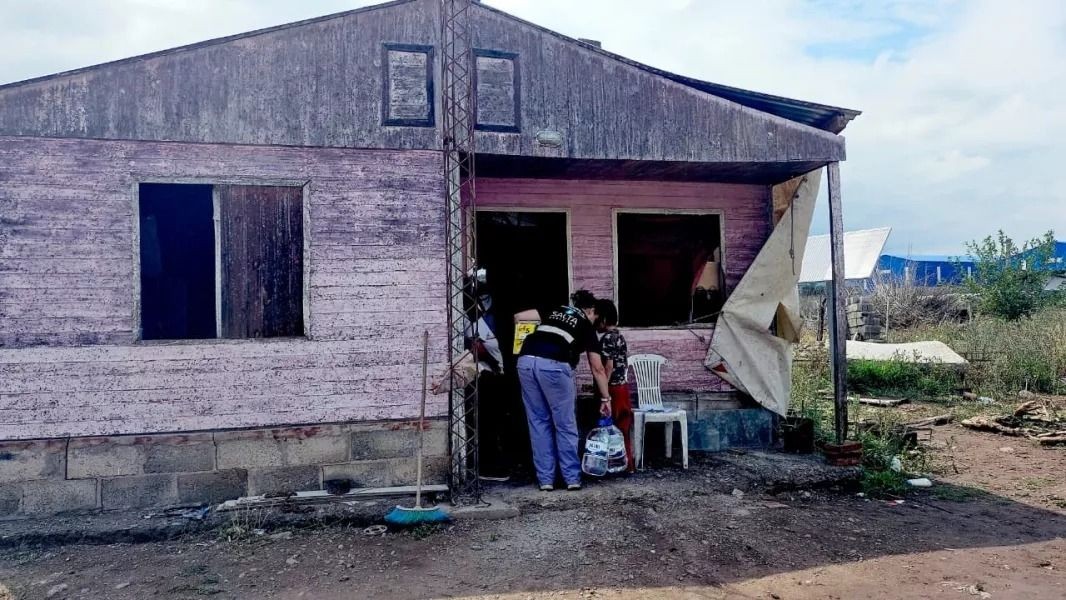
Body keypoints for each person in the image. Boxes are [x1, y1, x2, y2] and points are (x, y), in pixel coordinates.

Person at [515, 290, 612, 491]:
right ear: (593, 312)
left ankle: (546, 480)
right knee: (565, 424)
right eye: (600, 323)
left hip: (525, 361)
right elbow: (598, 368)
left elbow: (519, 317)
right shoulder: (586, 325)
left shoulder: (556, 310)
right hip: (554, 365)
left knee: (538, 422)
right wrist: (606, 398)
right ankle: (571, 478)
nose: (598, 327)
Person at [594, 299, 634, 473]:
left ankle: (611, 465)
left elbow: (608, 366)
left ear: (603, 319)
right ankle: (628, 465)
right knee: (623, 428)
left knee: (609, 428)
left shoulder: (606, 339)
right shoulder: (620, 336)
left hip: (612, 389)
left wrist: (603, 387)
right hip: (623, 387)